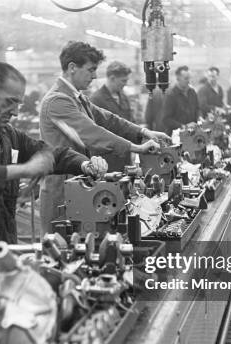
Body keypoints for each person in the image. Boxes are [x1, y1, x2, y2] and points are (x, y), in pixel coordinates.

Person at [0, 62, 108, 254]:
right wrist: (25, 169)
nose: (15, 112)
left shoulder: (7, 133)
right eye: (10, 102)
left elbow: (50, 151)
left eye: (18, 104)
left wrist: (85, 164)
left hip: (2, 243)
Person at [39, 41, 169, 232]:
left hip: (78, 186)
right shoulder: (57, 101)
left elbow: (109, 119)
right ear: (72, 68)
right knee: (61, 249)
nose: (94, 76)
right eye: (91, 70)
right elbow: (92, 133)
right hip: (61, 192)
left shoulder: (77, 98)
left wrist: (143, 132)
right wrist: (136, 147)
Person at [90, 61, 135, 169]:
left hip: (125, 157)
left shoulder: (124, 98)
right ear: (112, 78)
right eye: (123, 80)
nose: (125, 84)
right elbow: (94, 133)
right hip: (107, 159)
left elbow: (130, 121)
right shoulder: (96, 100)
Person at [162, 65, 200, 135]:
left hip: (192, 135)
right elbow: (166, 120)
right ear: (178, 78)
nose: (188, 81)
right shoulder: (171, 95)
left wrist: (199, 119)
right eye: (186, 78)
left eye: (189, 78)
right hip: (176, 136)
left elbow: (197, 109)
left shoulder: (192, 92)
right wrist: (183, 126)